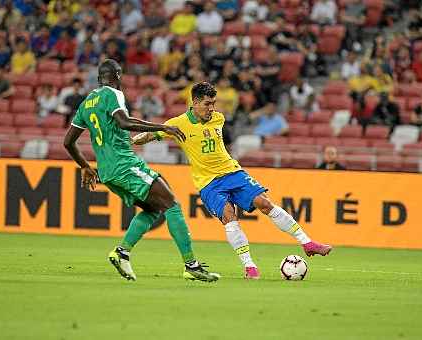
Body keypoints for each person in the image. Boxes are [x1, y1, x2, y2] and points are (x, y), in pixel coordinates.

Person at [132, 82, 332, 280]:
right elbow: (149, 135)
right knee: (229, 215)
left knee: (264, 202)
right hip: (208, 183)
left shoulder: (218, 118)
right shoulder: (177, 124)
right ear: (194, 102)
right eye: (207, 104)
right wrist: (132, 140)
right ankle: (250, 266)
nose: (212, 108)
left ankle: (307, 243)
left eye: (213, 103)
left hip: (233, 172)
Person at [63, 60, 219, 282]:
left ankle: (122, 252)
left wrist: (86, 166)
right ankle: (191, 266)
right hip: (125, 164)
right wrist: (162, 127)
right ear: (118, 75)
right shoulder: (113, 94)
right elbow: (124, 122)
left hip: (106, 172)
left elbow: (68, 142)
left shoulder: (86, 103)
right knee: (172, 205)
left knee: (153, 210)